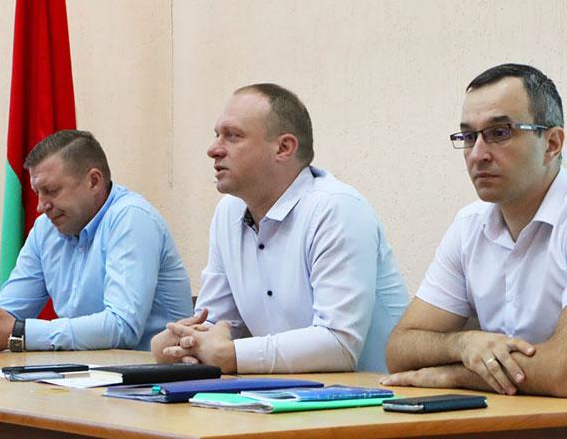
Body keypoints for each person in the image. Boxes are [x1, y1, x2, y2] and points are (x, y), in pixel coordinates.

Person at [382, 64, 567, 439]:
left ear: (552, 144)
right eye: (468, 136)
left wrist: (451, 375)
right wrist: (463, 343)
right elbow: (401, 348)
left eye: (499, 133)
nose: (477, 154)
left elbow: (566, 372)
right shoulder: (469, 225)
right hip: (516, 429)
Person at [151, 83, 408, 373]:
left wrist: (231, 356)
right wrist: (179, 344)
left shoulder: (336, 208)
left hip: (376, 396)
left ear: (284, 148)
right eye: (217, 135)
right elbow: (216, 326)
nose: (213, 150)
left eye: (233, 136)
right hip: (286, 393)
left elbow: (339, 345)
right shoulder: (228, 211)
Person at [0, 130, 193, 352]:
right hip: (86, 375)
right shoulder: (45, 229)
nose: (40, 206)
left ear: (93, 181)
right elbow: (10, 310)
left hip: (152, 379)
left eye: (51, 191)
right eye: (37, 193)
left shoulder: (131, 218)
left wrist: (20, 333)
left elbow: (122, 327)